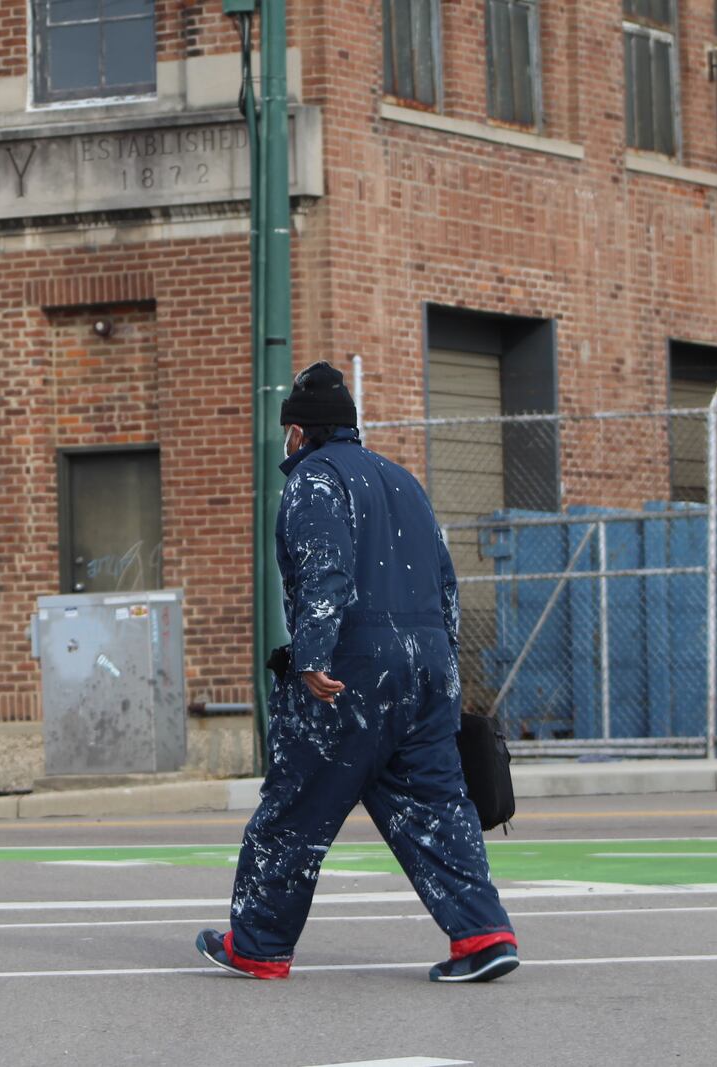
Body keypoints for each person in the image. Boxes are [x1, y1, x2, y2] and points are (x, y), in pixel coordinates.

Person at [195, 361, 519, 983]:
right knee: (435, 806)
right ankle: (483, 934)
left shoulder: (314, 480)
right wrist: (443, 673)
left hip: (353, 671)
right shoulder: (405, 482)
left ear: (300, 431)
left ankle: (259, 945)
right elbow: (446, 585)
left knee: (295, 807)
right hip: (429, 667)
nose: (284, 442)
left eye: (287, 431)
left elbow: (327, 572)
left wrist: (312, 656)